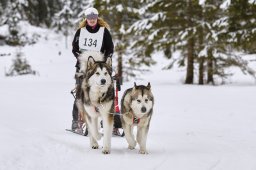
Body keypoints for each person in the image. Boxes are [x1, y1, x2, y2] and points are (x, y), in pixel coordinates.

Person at [71, 7, 122, 136]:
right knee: (80, 94)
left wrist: (106, 60)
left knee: (108, 93)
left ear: (97, 18)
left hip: (100, 67)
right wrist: (81, 58)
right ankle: (77, 122)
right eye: (90, 18)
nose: (92, 20)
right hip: (82, 67)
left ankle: (113, 124)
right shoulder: (80, 31)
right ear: (86, 19)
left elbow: (110, 49)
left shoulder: (104, 32)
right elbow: (74, 48)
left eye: (94, 18)